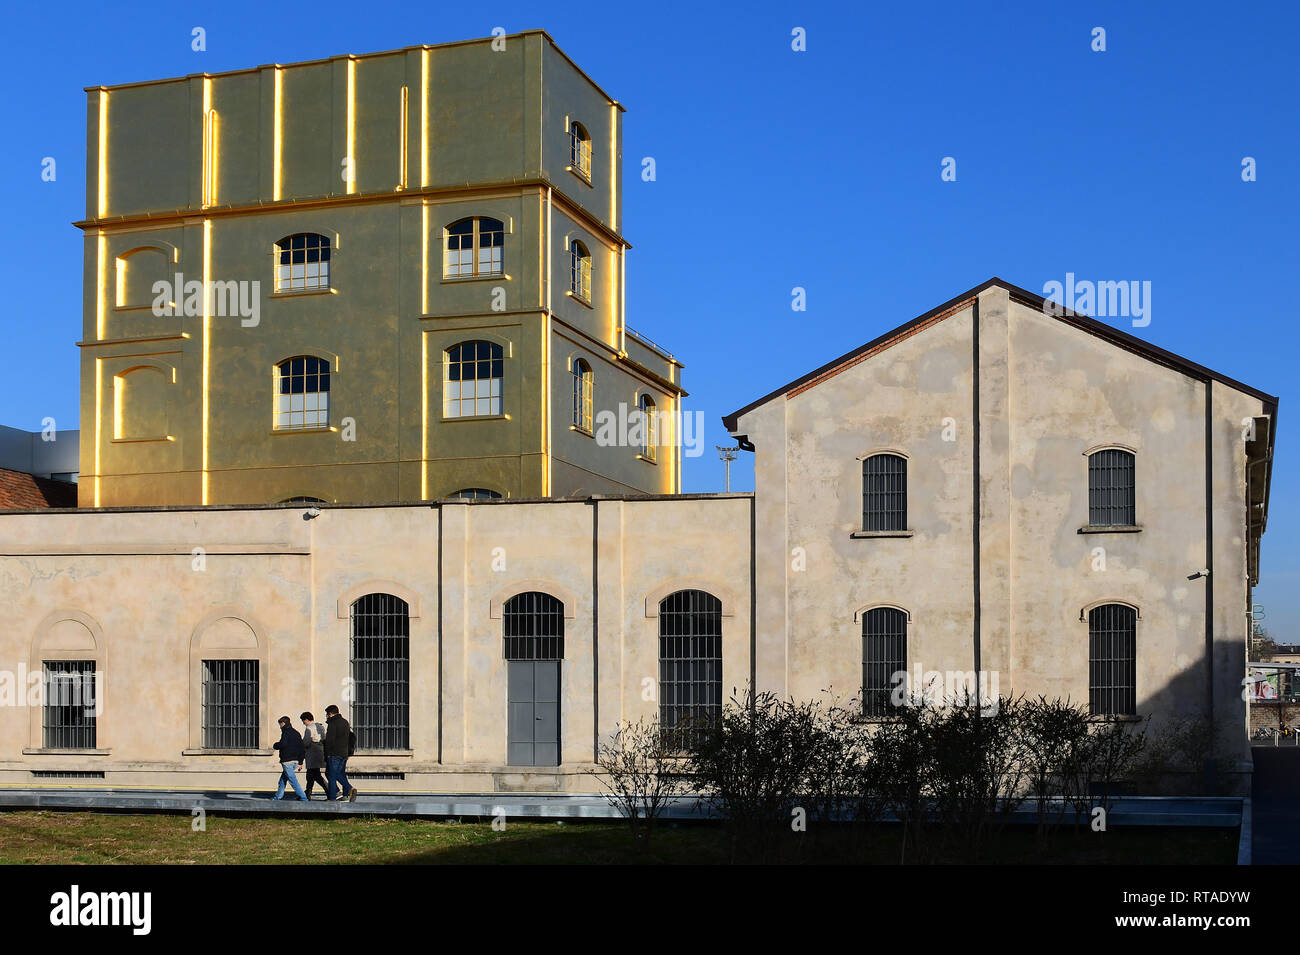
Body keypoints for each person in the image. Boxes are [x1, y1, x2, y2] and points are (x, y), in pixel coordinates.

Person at [323, 704, 358, 802]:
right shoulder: (345, 722)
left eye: (327, 714)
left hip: (333, 753)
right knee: (340, 773)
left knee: (332, 775)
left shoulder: (333, 723)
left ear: (330, 714)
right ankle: (345, 794)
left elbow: (330, 740)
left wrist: (327, 752)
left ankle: (334, 797)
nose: (326, 716)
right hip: (344, 753)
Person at [271, 715, 308, 801]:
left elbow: (283, 744)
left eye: (280, 724)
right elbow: (301, 748)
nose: (280, 727)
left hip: (287, 760)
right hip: (295, 761)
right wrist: (300, 762)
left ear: (283, 723)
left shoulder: (285, 732)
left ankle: (304, 798)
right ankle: (277, 797)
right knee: (283, 780)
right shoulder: (296, 733)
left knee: (293, 781)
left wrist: (275, 745)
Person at [300, 711, 328, 799]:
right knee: (310, 774)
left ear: (307, 719)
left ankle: (329, 790)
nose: (303, 723)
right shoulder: (320, 726)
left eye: (303, 720)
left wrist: (301, 745)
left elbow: (306, 742)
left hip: (312, 753)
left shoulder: (309, 728)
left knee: (315, 774)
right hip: (320, 751)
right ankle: (307, 792)